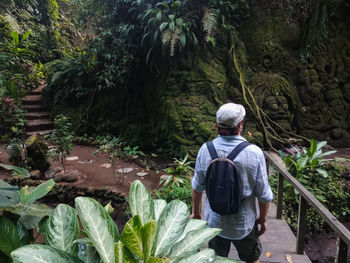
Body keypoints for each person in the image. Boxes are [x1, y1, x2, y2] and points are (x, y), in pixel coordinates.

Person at [191, 102, 273, 263]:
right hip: (243, 223)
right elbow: (264, 195)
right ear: (240, 125)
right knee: (252, 259)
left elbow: (197, 186)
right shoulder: (254, 153)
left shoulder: (205, 150)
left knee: (217, 259)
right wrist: (262, 220)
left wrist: (197, 212)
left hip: (214, 221)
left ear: (216, 125)